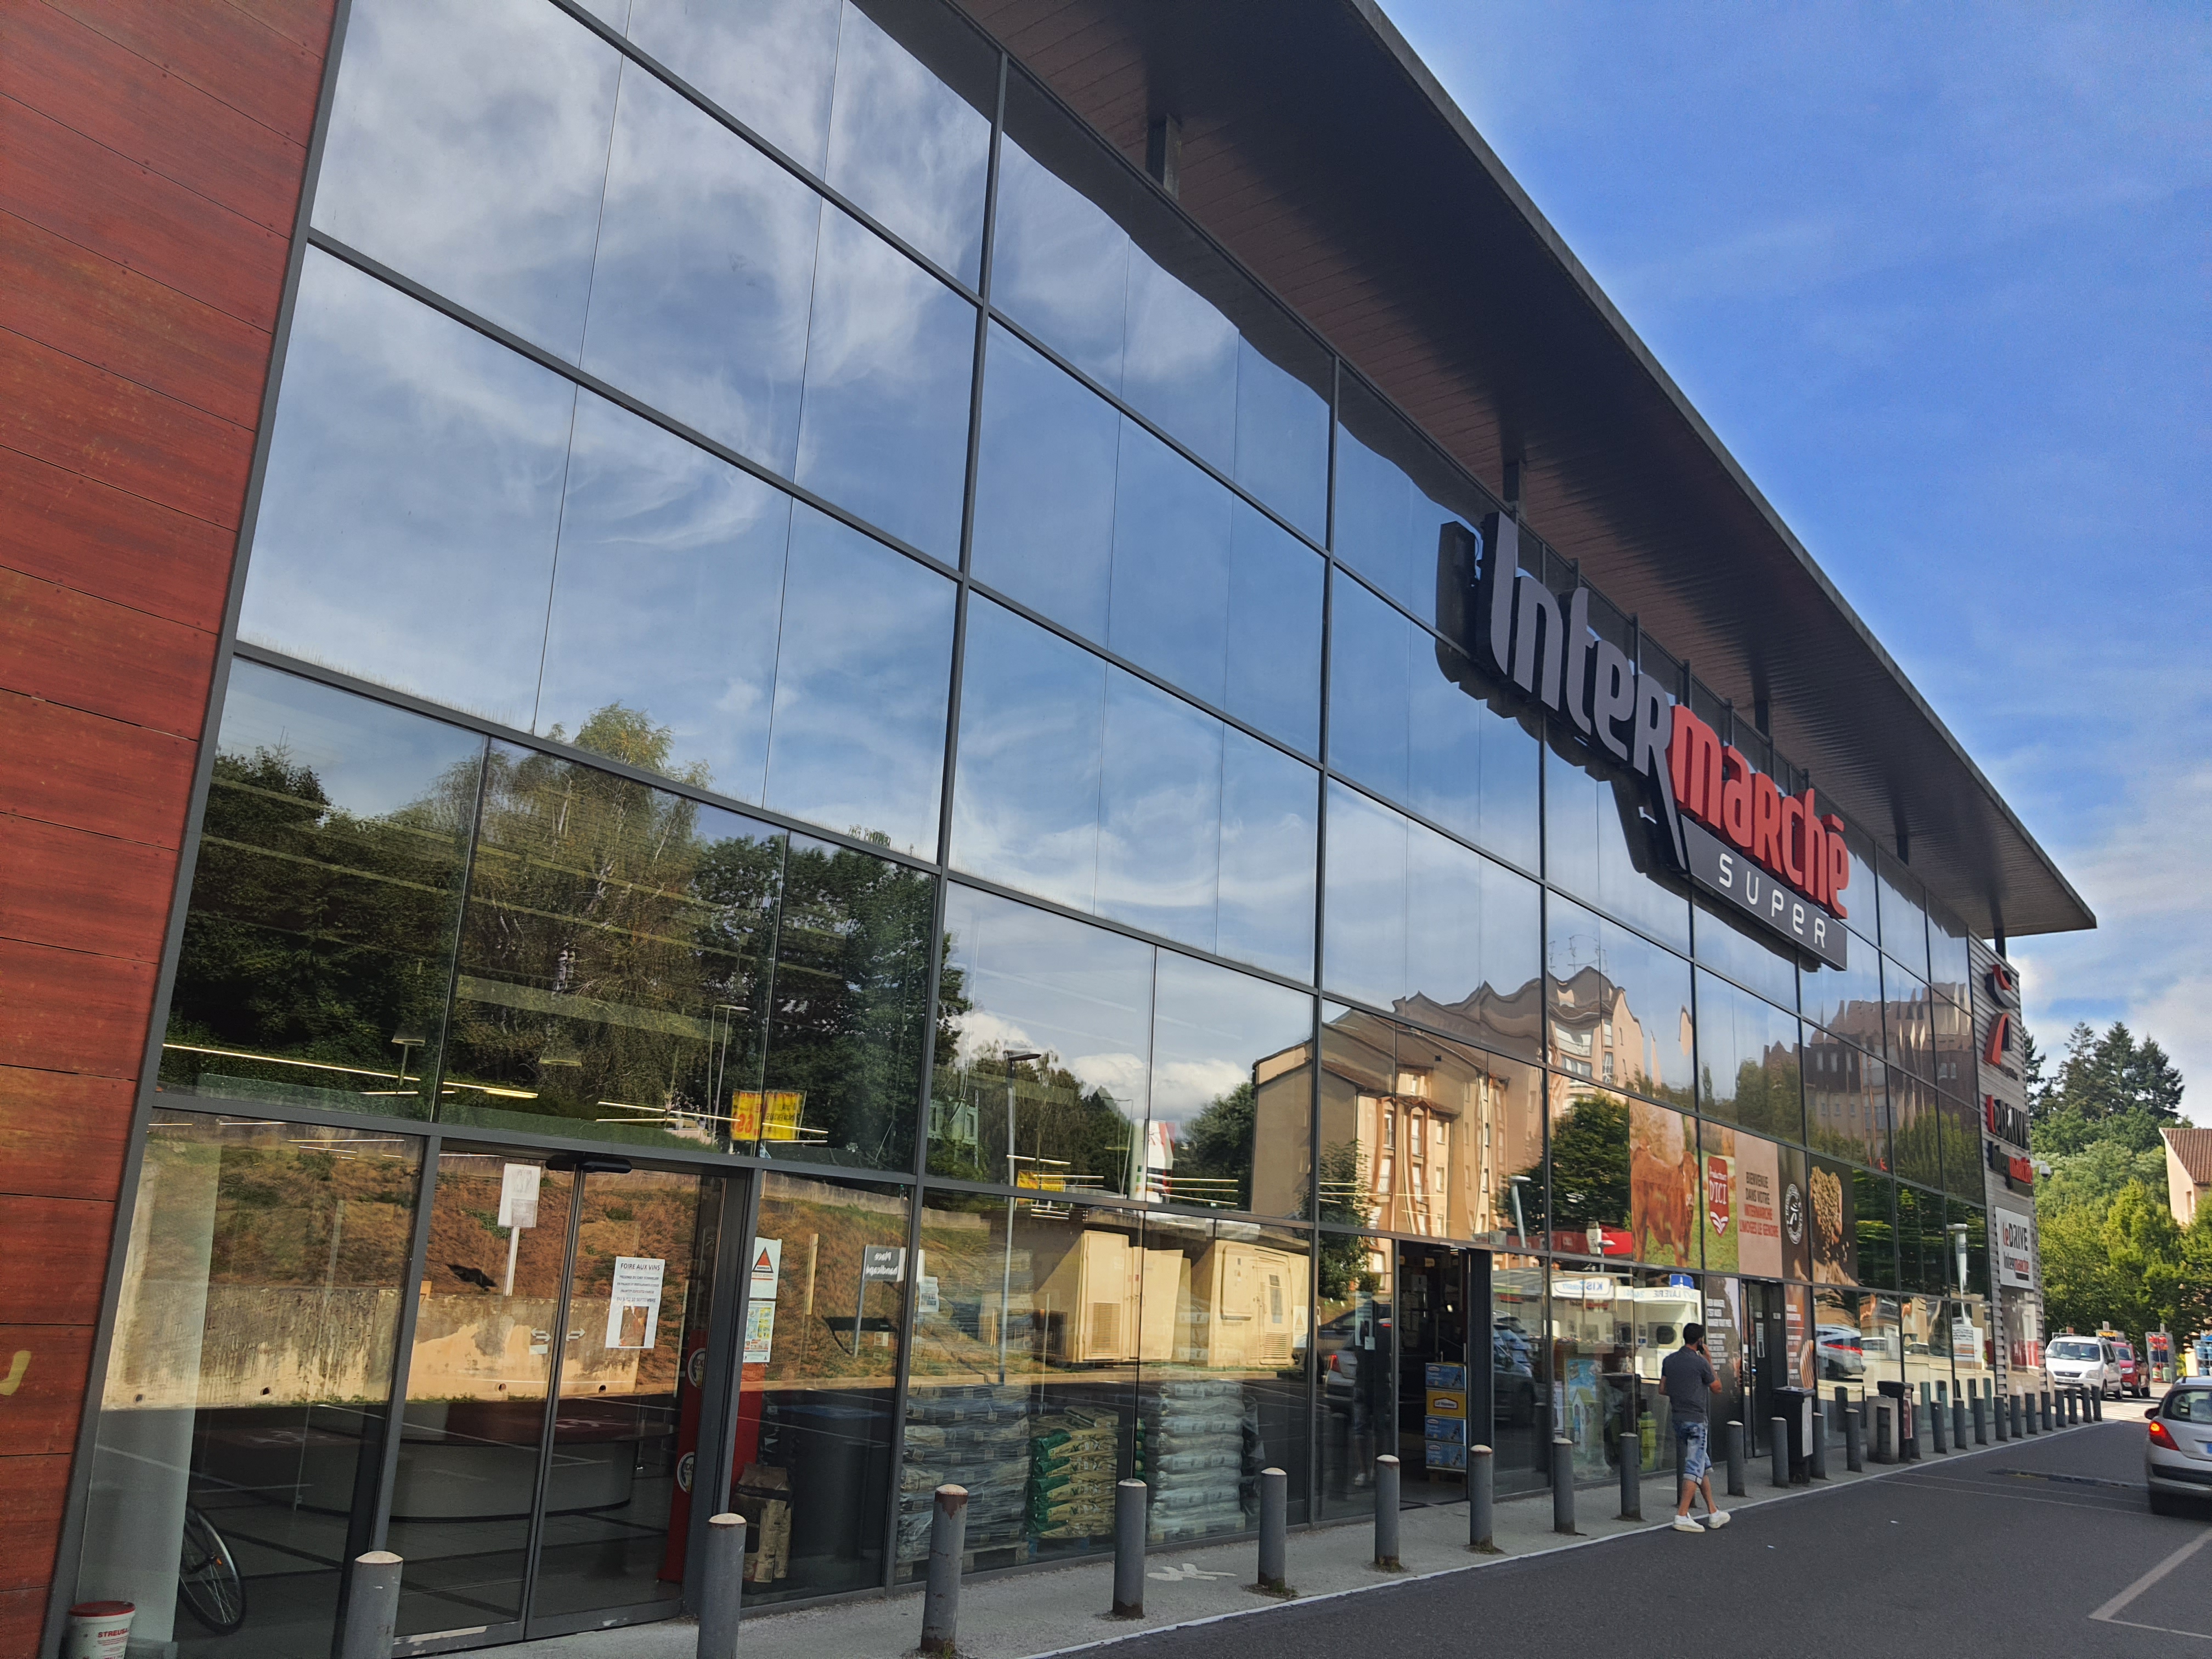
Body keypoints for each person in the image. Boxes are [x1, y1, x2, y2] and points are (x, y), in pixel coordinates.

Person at [1662, 1322, 1729, 1533]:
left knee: (1701, 1464)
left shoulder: (1669, 1360)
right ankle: (1682, 1515)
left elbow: (1662, 1388)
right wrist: (1709, 1360)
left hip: (1678, 1418)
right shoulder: (1700, 1363)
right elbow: (1717, 1388)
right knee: (1694, 1467)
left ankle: (1713, 1512)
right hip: (1696, 1420)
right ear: (1700, 1341)